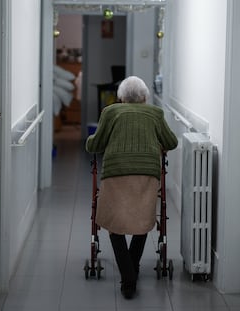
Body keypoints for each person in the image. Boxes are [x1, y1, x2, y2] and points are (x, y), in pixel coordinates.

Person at [86, 76, 178, 299]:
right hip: (147, 174)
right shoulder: (155, 113)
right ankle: (132, 268)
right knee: (143, 221)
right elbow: (172, 142)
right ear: (145, 96)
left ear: (121, 97)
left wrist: (89, 141)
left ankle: (129, 278)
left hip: (115, 173)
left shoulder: (111, 112)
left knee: (113, 224)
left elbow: (95, 145)